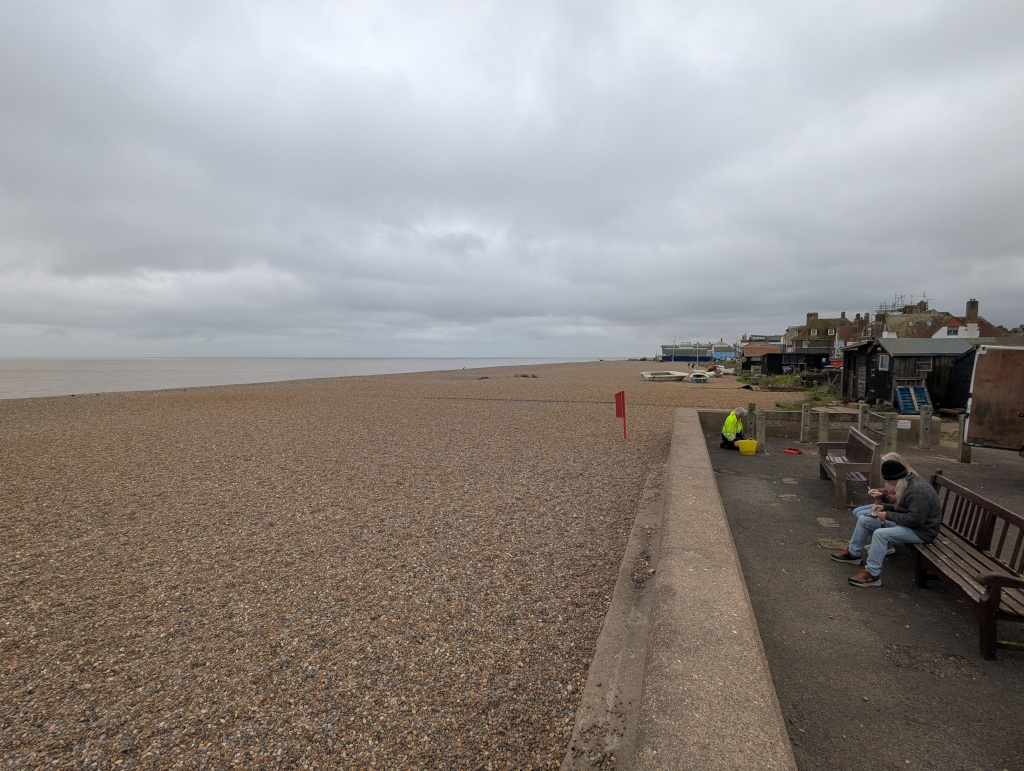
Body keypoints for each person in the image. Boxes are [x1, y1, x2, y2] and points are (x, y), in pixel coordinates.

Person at [831, 458, 941, 587]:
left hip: (922, 531)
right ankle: (853, 554)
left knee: (880, 534)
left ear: (897, 478)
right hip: (911, 524)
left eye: (889, 480)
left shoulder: (918, 491)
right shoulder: (907, 482)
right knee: (864, 519)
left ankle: (872, 574)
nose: (888, 484)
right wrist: (885, 507)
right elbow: (904, 508)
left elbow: (916, 519)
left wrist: (888, 515)